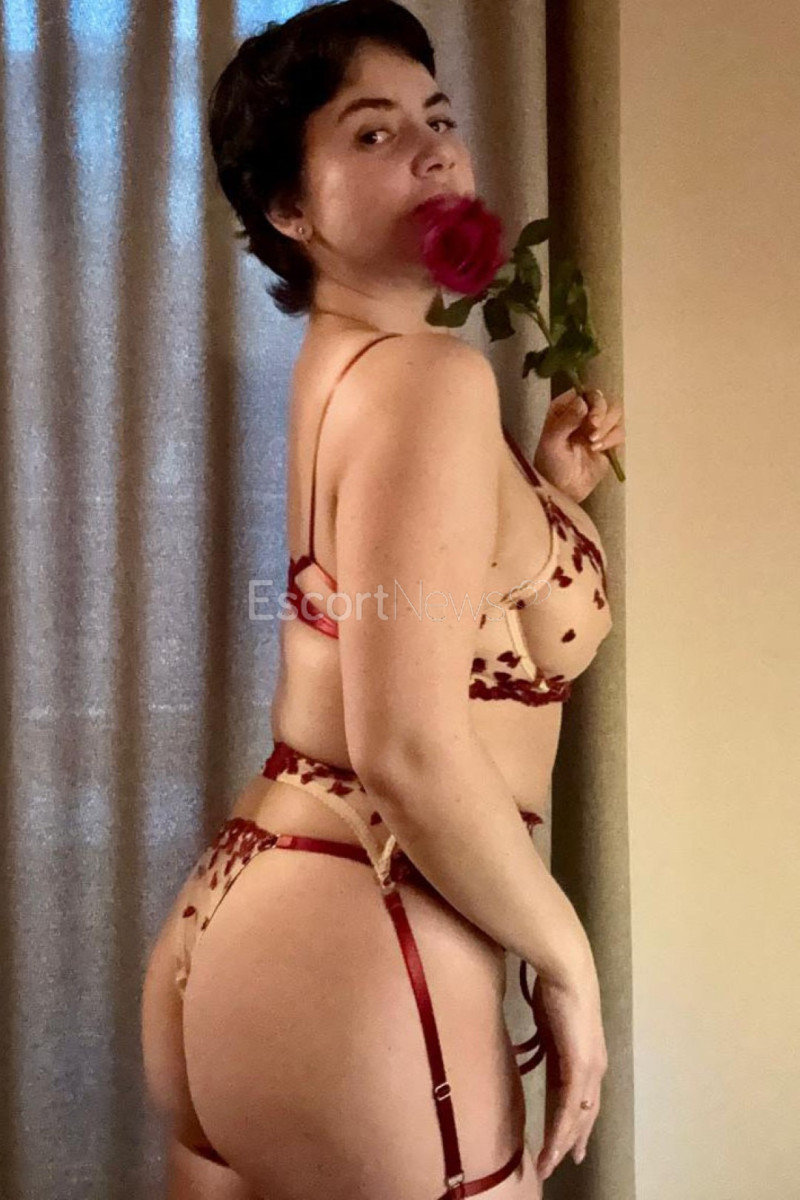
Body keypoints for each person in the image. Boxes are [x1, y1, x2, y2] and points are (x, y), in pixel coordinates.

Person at [140, 4, 612, 1198]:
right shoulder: (428, 381)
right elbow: (406, 746)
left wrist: (541, 495)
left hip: (252, 918)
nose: (434, 149)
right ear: (288, 211)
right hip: (367, 953)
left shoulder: (346, 368)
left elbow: (410, 604)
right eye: (371, 132)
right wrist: (565, 959)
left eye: (436, 117)